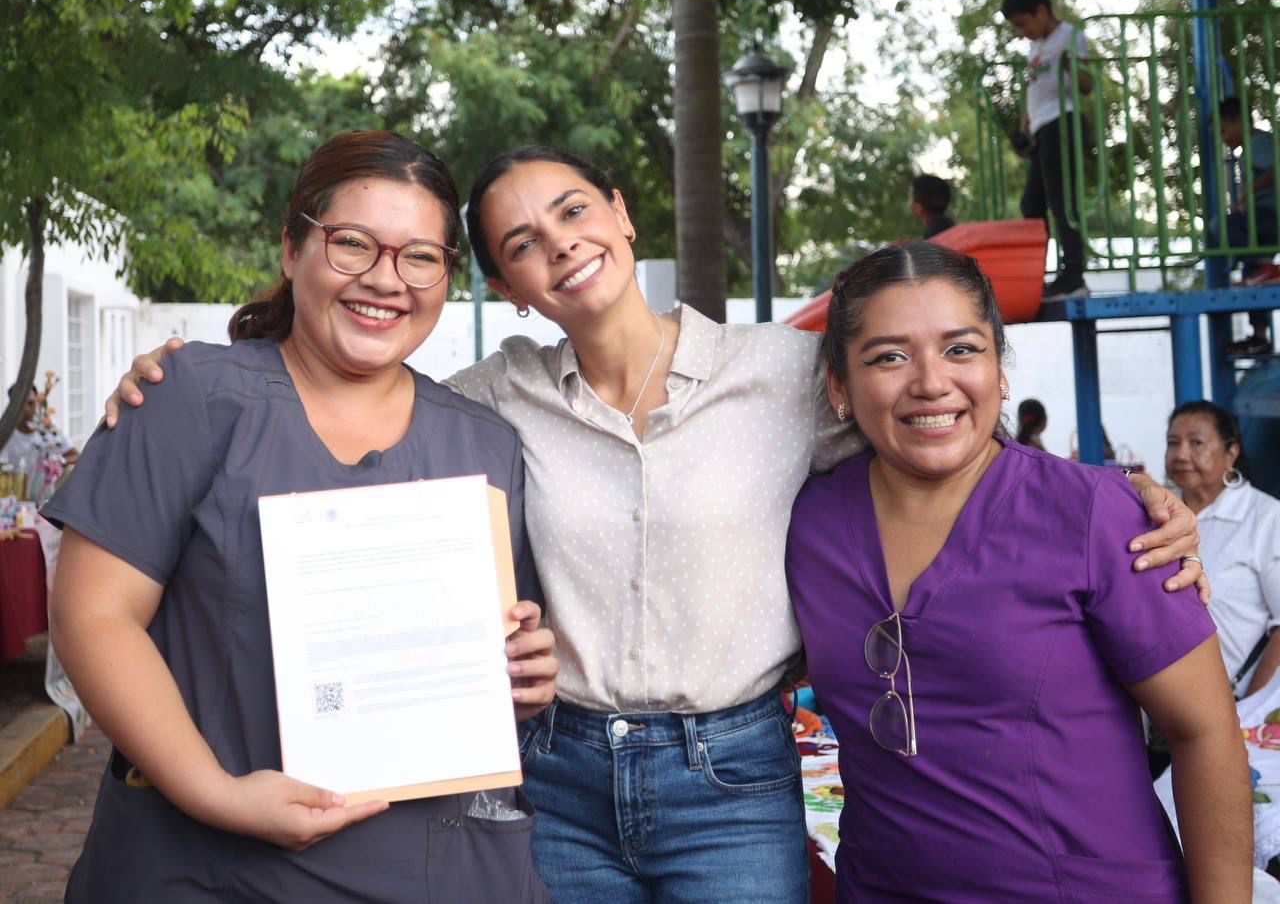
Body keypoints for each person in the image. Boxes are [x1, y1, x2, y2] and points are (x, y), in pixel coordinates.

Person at [105, 145, 1208, 904]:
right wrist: (183, 375)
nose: (560, 245)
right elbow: (345, 415)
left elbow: (926, 420)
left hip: (729, 774)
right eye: (522, 242)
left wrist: (1129, 497)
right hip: (558, 769)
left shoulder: (782, 375)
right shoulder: (480, 405)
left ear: (622, 213)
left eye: (574, 210)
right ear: (506, 283)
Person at [44, 131, 557, 903]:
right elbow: (93, 615)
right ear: (291, 248)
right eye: (353, 244)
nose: (387, 280)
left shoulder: (485, 441)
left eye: (421, 256)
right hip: (204, 868)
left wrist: (524, 668)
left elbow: (488, 644)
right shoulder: (189, 397)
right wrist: (214, 792)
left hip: (441, 870)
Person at [786, 241, 1250, 902]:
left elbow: (1203, 731)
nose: (930, 381)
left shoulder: (1096, 515)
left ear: (1000, 372)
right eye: (889, 356)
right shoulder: (809, 524)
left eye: (961, 349)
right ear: (839, 385)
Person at [1166, 400, 1280, 697]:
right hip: (1160, 710)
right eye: (1173, 443)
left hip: (1233, 706)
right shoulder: (1158, 515)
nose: (1181, 454)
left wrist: (1248, 713)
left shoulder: (1266, 518)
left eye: (1197, 443)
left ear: (1231, 453)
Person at [1002, 0, 1093, 300]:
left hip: (1062, 122)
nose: (1021, 32)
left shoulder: (1069, 35)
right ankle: (1034, 274)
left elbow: (1086, 85)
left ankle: (1074, 274)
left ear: (1042, 11)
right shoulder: (1036, 47)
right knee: (1032, 203)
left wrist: (1071, 65)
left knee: (1061, 200)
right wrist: (1024, 128)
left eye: (1023, 23)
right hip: (1040, 127)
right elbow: (1035, 90)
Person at [1218, 97, 1278, 356]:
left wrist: (1246, 196)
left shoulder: (1258, 143)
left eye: (1223, 130)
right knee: (1253, 276)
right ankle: (1260, 336)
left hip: (1270, 214)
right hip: (1262, 215)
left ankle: (1265, 265)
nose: (1223, 138)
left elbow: (1274, 170)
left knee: (1227, 227)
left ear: (1238, 122)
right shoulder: (1249, 149)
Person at [1, 383, 79, 470]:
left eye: (31, 403)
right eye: (20, 403)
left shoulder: (49, 426)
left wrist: (59, 462)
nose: (26, 409)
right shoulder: (4, 430)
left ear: (38, 402)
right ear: (12, 405)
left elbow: (75, 455)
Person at [909, 174, 955, 239]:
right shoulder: (950, 228)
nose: (910, 204)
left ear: (919, 207)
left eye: (910, 198)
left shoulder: (932, 238)